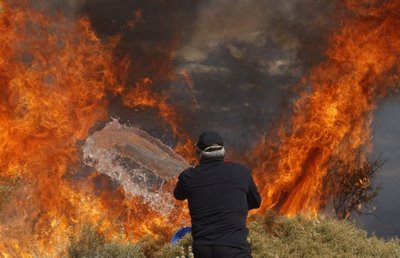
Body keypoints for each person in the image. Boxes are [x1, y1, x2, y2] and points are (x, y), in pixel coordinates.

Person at [174, 131, 261, 258]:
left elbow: (178, 195)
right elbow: (256, 202)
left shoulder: (188, 177)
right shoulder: (241, 172)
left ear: (199, 153)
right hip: (234, 249)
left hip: (203, 250)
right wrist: (232, 206)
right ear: (223, 151)